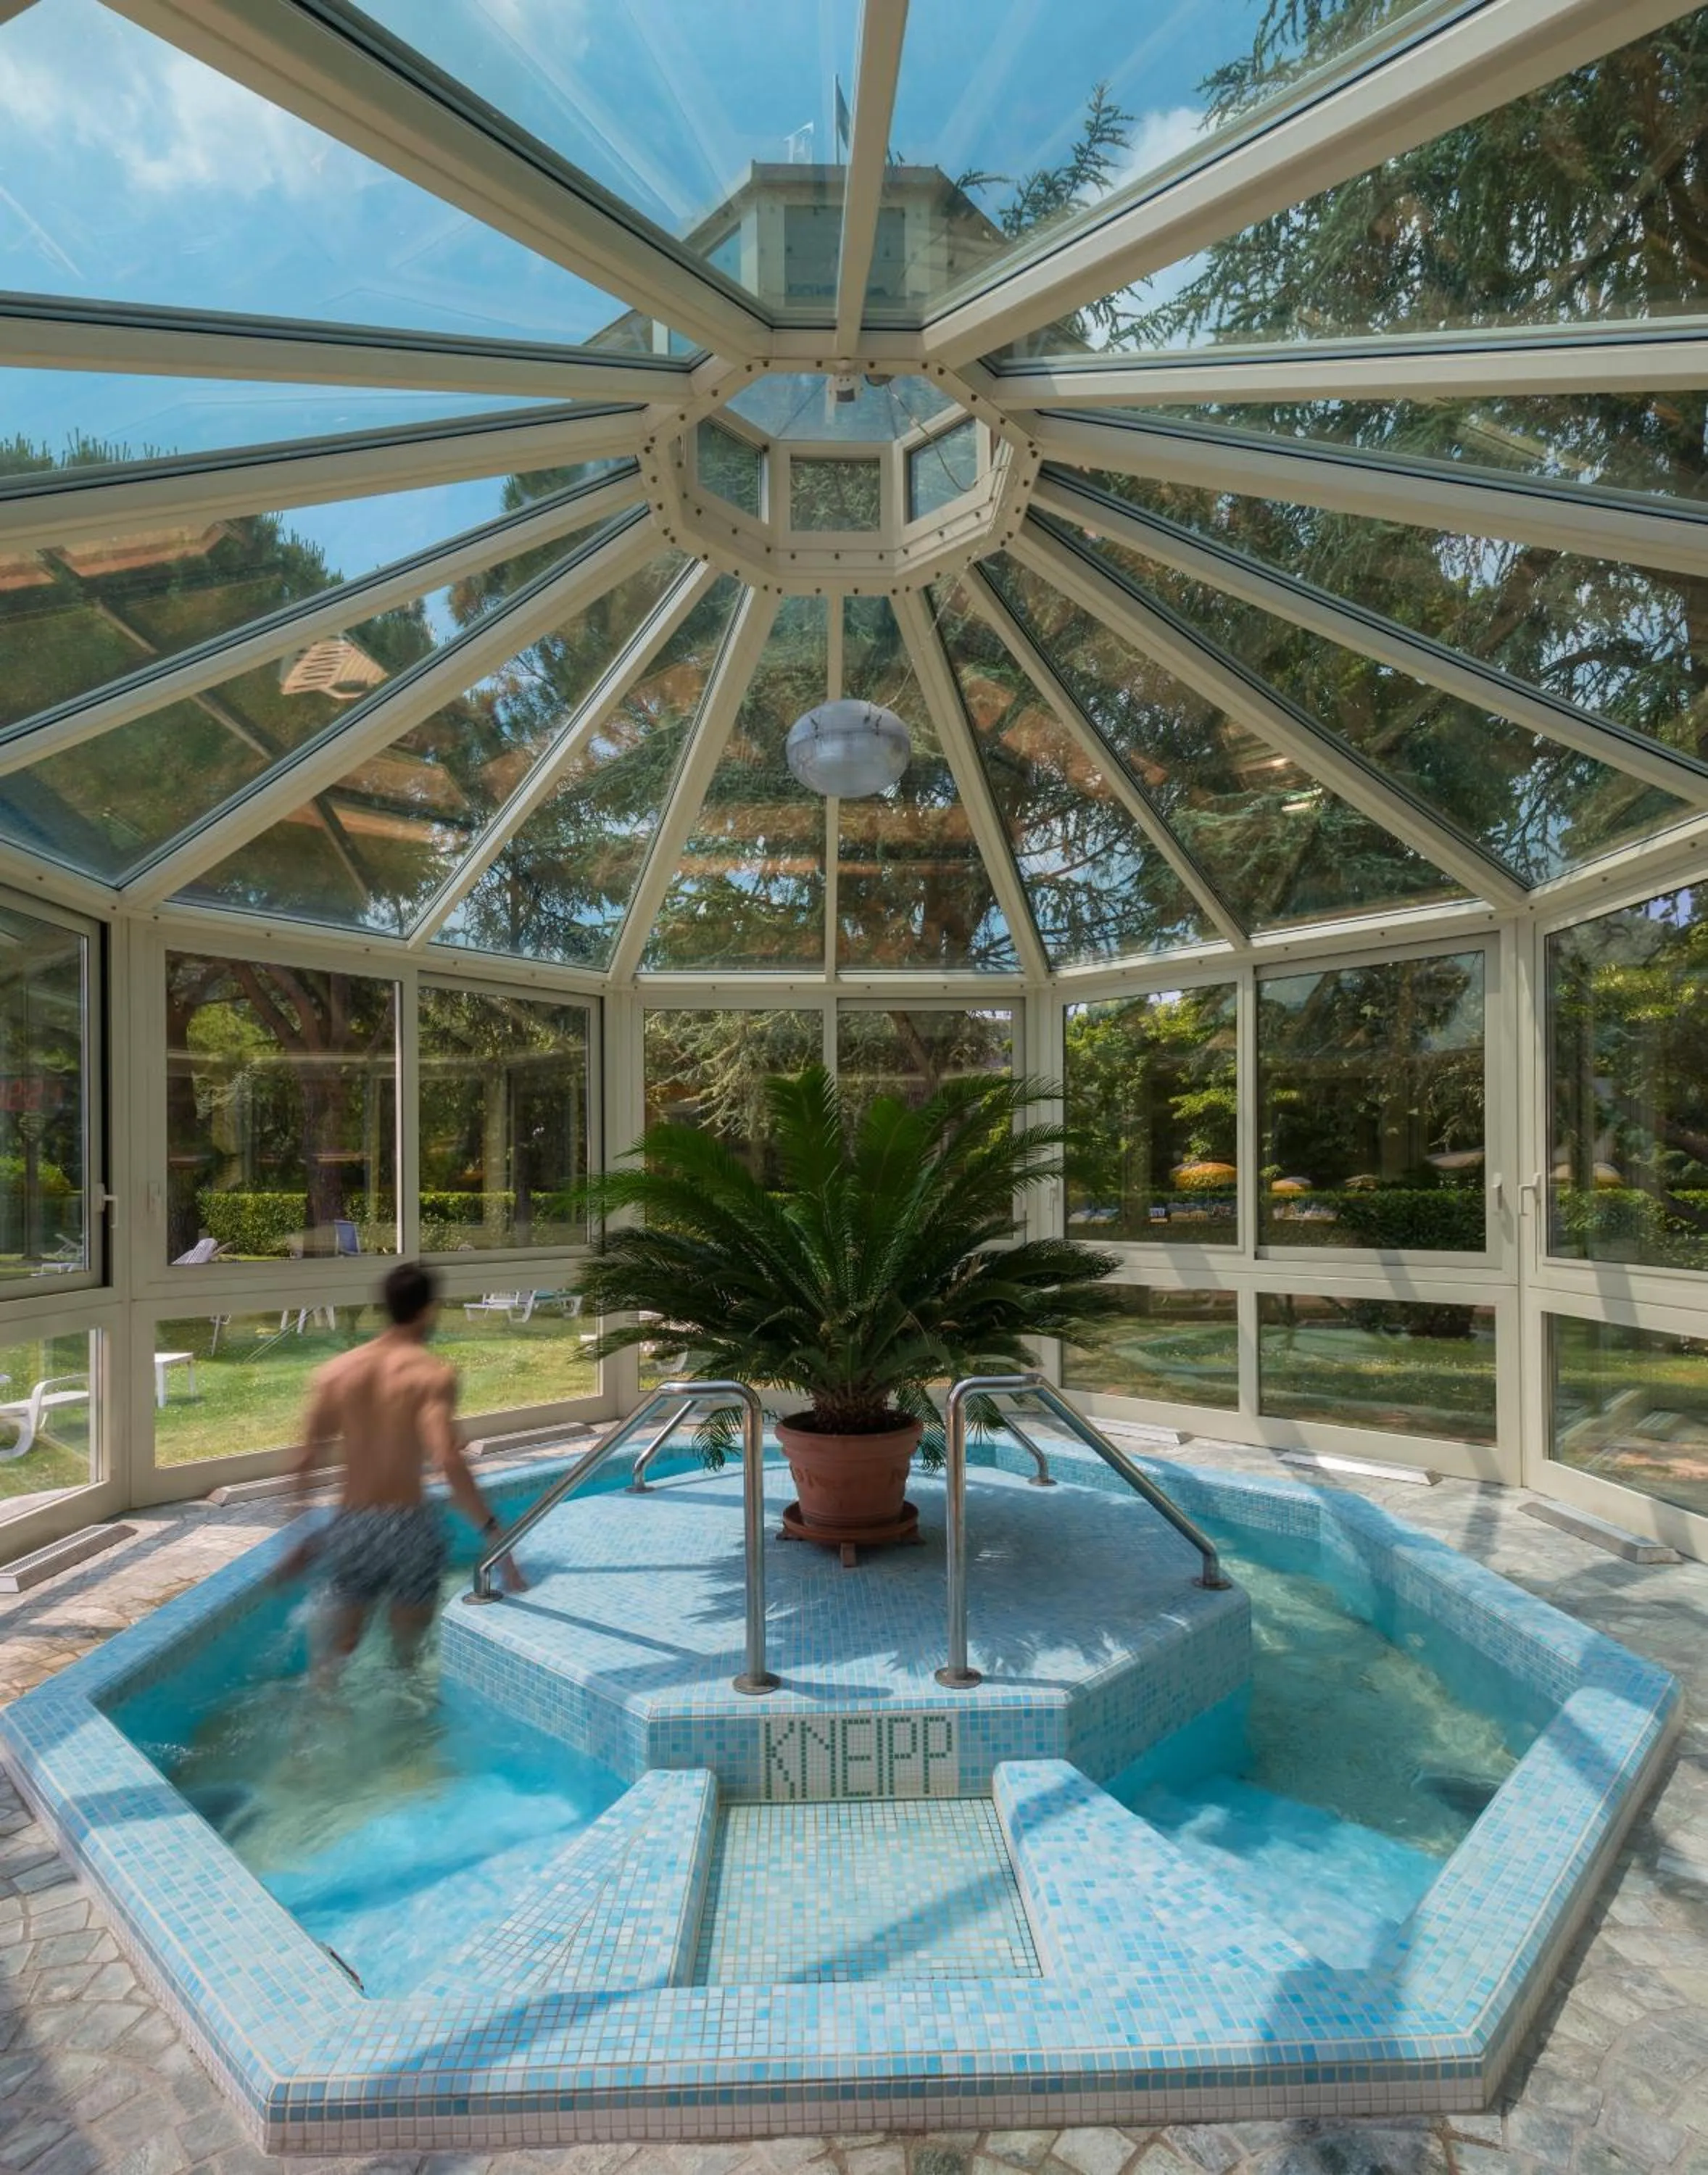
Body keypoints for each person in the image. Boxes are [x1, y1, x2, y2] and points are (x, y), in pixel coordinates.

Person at [275, 1261, 523, 1678]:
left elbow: (304, 1459)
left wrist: (298, 1538)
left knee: (334, 1658)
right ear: (428, 1310)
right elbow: (446, 1458)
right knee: (406, 1659)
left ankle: (317, 1725)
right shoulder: (430, 1374)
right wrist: (497, 1538)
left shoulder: (335, 1374)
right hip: (409, 1528)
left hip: (352, 1525)